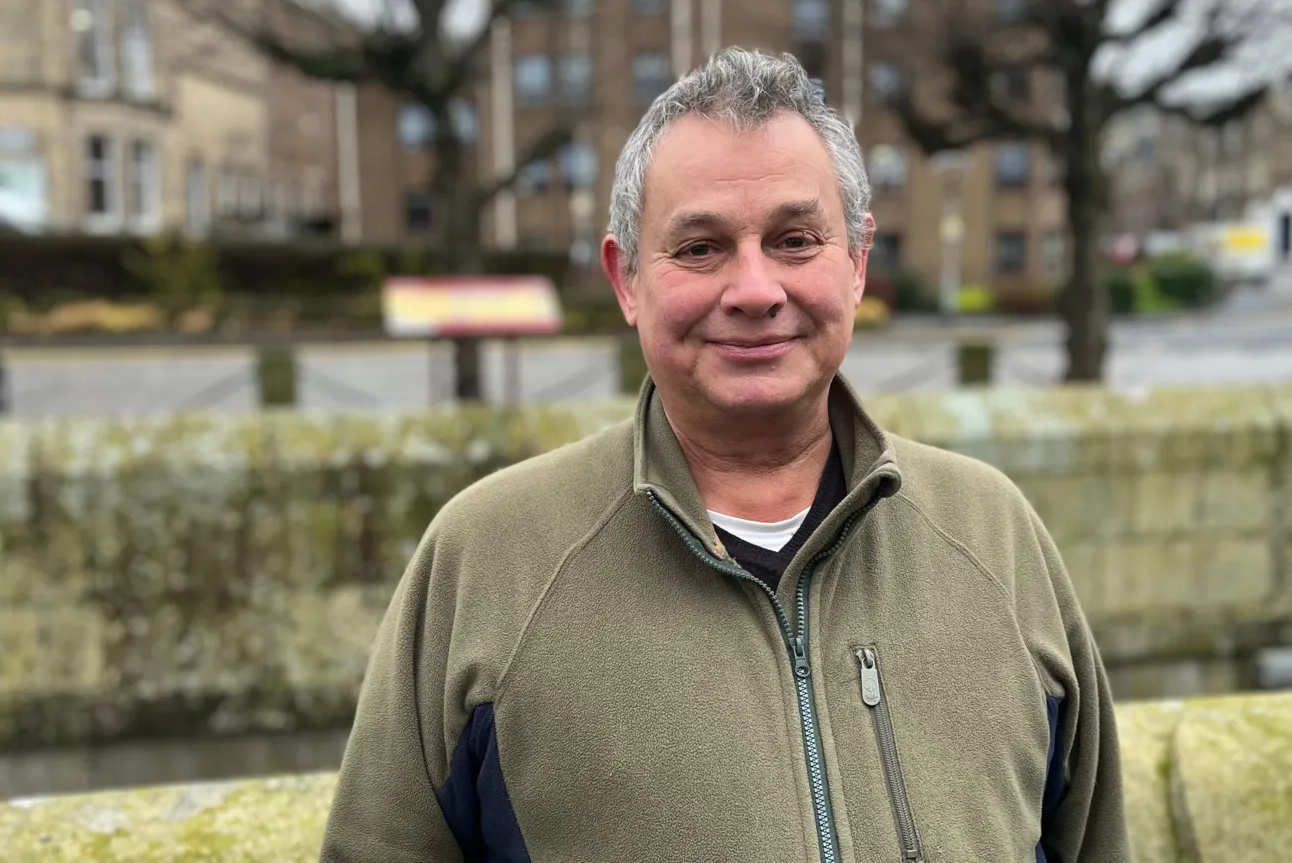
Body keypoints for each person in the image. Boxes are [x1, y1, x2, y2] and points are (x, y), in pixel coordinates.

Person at [321, 48, 1128, 863]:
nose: (753, 288)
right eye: (701, 248)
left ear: (856, 263)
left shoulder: (994, 534)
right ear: (626, 277)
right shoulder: (489, 560)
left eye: (795, 239)